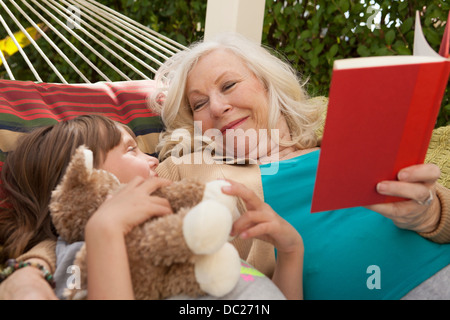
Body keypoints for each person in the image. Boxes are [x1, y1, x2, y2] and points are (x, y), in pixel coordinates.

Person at [148, 33, 450, 300]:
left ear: (268, 84)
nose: (216, 107)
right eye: (199, 104)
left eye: (228, 85)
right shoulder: (186, 169)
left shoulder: (346, 147)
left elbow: (435, 210)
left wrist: (430, 213)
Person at [0, 114, 296, 299]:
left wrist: (291, 253)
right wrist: (106, 230)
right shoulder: (83, 254)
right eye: (130, 149)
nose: (154, 159)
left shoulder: (179, 230)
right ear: (84, 179)